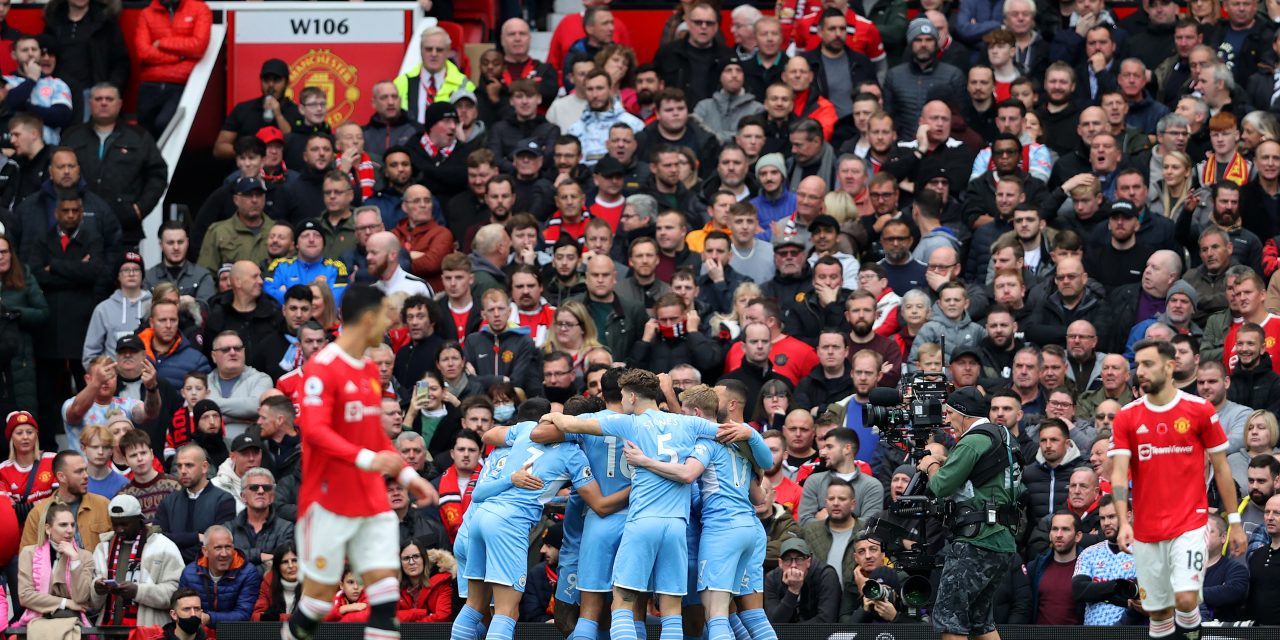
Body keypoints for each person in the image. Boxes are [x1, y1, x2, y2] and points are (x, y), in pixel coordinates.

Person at [540, 369, 772, 640]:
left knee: (623, 605)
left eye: (626, 397)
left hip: (642, 523)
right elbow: (743, 442)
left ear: (633, 397)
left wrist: (553, 415)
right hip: (676, 528)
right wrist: (752, 438)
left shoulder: (629, 423)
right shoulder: (688, 424)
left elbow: (571, 425)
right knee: (671, 612)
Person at [282, 284, 438, 640]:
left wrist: (408, 475)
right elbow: (315, 430)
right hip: (328, 501)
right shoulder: (322, 368)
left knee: (386, 599)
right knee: (318, 605)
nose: (389, 323)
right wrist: (369, 460)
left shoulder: (368, 368)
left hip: (371, 501)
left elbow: (375, 436)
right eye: (385, 315)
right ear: (368, 318)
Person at [1111, 339, 1248, 640]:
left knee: (1186, 599)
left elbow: (1222, 468)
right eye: (1138, 365)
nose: (1140, 372)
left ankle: (1191, 629)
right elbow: (1119, 474)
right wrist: (1123, 521)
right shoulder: (1127, 416)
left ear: (1170, 366)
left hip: (1190, 521)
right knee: (1158, 612)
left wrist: (1235, 523)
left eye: (1148, 364)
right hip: (1146, 529)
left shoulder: (1199, 410)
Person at [914, 386, 1022, 640]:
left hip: (976, 540)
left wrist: (930, 464)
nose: (948, 421)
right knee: (981, 621)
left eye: (949, 414)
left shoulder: (973, 440)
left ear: (961, 413)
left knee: (950, 619)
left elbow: (940, 486)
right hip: (1001, 541)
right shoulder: (1004, 436)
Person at [90, 494, 185, 627]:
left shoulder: (164, 546)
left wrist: (138, 592)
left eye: (124, 524)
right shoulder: (103, 548)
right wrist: (97, 589)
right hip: (107, 631)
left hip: (148, 632)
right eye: (115, 524)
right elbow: (92, 603)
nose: (119, 529)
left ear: (139, 519)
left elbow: (176, 595)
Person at [12, 503, 95, 630]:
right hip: (35, 622)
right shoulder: (29, 553)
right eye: (63, 525)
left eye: (72, 525)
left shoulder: (84, 556)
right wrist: (66, 602)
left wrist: (75, 560)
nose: (70, 530)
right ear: (48, 529)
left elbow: (81, 598)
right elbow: (26, 596)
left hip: (72, 624)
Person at [154, 444, 237, 563]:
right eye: (179, 466)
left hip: (207, 572)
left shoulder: (223, 500)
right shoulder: (168, 502)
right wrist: (197, 537)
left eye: (189, 465)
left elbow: (217, 546)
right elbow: (157, 539)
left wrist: (175, 548)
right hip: (170, 572)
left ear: (204, 467)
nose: (183, 471)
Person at [178, 525, 261, 626]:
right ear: (205, 551)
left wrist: (209, 618)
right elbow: (181, 610)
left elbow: (244, 614)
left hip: (235, 633)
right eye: (218, 548)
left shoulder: (248, 573)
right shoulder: (189, 573)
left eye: (228, 547)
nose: (224, 553)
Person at [764, 537, 840, 623]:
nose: (793, 565)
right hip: (782, 635)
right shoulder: (772, 579)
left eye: (799, 559)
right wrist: (793, 591)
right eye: (787, 559)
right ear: (780, 563)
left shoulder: (826, 575)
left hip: (818, 635)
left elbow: (826, 620)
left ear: (808, 562)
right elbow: (774, 622)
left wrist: (793, 633)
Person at [252, 542, 299, 621]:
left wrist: (278, 617)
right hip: (274, 632)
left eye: (294, 560)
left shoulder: (314, 583)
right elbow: (256, 616)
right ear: (278, 567)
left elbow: (321, 619)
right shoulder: (269, 582)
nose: (291, 566)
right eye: (285, 562)